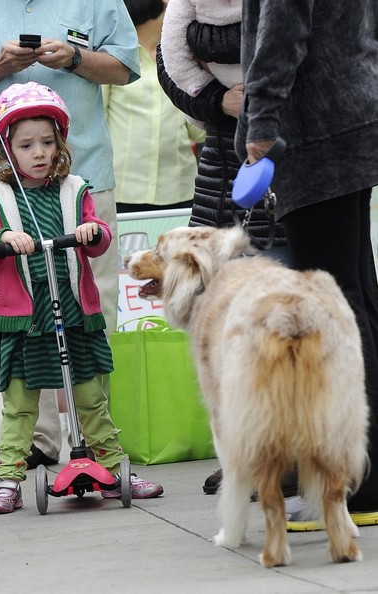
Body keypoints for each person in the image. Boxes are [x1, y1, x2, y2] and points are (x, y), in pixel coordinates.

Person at [0, 0, 140, 469]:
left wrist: (73, 58)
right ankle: (37, 439)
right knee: (24, 308)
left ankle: (100, 437)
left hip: (84, 175)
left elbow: (127, 67)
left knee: (94, 306)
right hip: (5, 187)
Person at [0, 82, 164, 514]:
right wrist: (3, 238)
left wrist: (93, 233)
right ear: (7, 151)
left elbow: (98, 237)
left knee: (91, 396)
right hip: (24, 319)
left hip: (73, 312)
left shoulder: (75, 188)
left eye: (46, 142)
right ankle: (8, 479)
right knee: (20, 404)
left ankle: (113, 469)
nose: (38, 153)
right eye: (26, 145)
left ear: (60, 143)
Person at [235, 0, 378, 528]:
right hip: (353, 115)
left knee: (335, 311)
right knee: (357, 295)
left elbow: (281, 33)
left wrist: (261, 123)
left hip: (311, 132)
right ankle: (366, 484)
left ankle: (350, 488)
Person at [157, 0, 292, 496]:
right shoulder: (183, 8)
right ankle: (240, 453)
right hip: (221, 164)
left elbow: (285, 44)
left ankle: (285, 456)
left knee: (278, 321)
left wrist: (258, 100)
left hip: (281, 151)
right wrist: (219, 101)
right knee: (222, 324)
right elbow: (171, 68)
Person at [103, 0, 204, 213]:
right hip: (124, 190)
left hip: (179, 189)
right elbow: (96, 121)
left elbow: (198, 131)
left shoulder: (182, 57)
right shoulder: (113, 59)